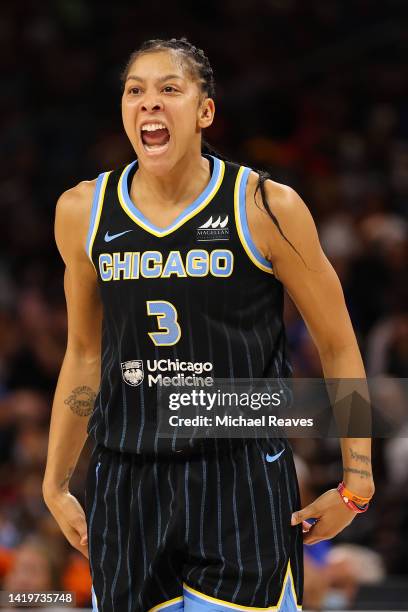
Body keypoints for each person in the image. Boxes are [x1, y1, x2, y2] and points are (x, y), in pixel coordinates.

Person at [42, 38, 375, 612]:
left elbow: (338, 344)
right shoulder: (82, 211)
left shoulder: (264, 207)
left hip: (239, 477)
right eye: (135, 91)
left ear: (205, 111)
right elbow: (84, 353)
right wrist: (55, 482)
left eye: (169, 89)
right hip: (127, 481)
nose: (149, 104)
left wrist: (358, 481)